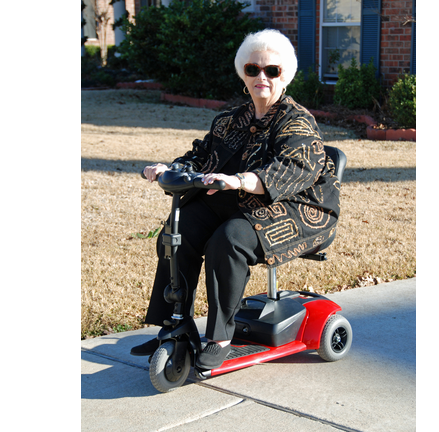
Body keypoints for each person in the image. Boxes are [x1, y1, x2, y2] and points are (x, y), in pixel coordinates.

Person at [131, 29, 341, 370]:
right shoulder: (230, 120)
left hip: (299, 208)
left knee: (228, 240)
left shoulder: (298, 122)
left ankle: (220, 336)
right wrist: (169, 169)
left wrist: (241, 180)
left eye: (271, 71)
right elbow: (200, 157)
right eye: (252, 69)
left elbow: (293, 169)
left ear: (284, 75)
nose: (262, 77)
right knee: (181, 228)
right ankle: (174, 321)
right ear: (242, 73)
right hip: (240, 202)